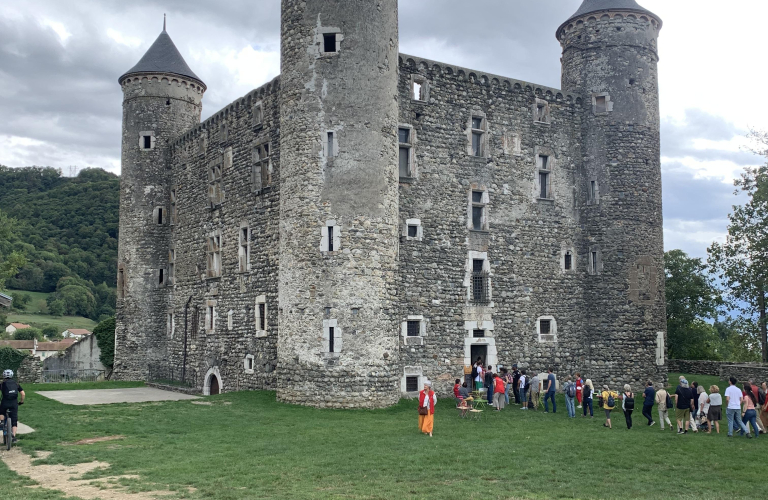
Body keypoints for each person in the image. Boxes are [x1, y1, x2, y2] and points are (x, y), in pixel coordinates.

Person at [0, 369, 24, 444]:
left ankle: (2, 422)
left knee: (1, 412)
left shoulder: (2, 384)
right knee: (14, 420)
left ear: (4, 376)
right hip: (14, 403)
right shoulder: (16, 384)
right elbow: (23, 394)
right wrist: (21, 401)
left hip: (5, 402)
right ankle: (13, 437)